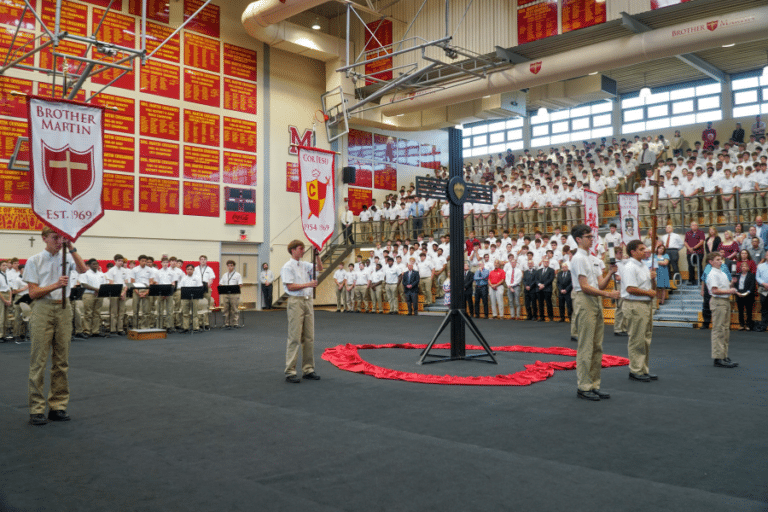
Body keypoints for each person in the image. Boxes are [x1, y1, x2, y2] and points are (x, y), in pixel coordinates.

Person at [23, 227, 87, 425]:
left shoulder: (67, 257)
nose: (59, 241)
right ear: (44, 239)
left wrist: (72, 247)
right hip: (43, 308)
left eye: (61, 238)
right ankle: (36, 408)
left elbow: (83, 269)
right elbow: (32, 293)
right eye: (55, 237)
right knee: (39, 360)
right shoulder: (34, 260)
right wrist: (55, 285)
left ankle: (58, 406)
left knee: (61, 360)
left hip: (64, 308)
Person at [570, 224, 620, 401]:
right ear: (578, 239)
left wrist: (610, 273)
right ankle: (584, 386)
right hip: (585, 300)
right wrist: (607, 294)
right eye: (588, 236)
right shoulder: (578, 259)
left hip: (595, 300)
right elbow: (584, 287)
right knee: (586, 345)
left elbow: (599, 284)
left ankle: (594, 384)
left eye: (592, 236)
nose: (592, 239)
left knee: (597, 346)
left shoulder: (592, 259)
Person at [281, 240, 322, 383]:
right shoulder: (287, 266)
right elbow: (290, 286)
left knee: (309, 336)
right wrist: (308, 284)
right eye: (300, 248)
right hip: (296, 301)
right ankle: (290, 371)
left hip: (307, 300)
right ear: (292, 250)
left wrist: (317, 255)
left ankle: (308, 369)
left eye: (304, 248)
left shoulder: (305, 265)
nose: (303, 251)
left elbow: (320, 268)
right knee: (294, 337)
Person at [622, 240, 657, 383]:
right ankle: (635, 370)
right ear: (633, 252)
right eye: (641, 249)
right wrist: (648, 292)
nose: (645, 251)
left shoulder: (643, 266)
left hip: (645, 304)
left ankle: (643, 369)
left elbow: (650, 287)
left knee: (646, 338)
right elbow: (630, 289)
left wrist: (653, 279)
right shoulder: (630, 267)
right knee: (637, 338)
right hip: (635, 304)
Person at [705, 252, 739, 368]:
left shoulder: (722, 273)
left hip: (725, 301)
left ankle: (723, 355)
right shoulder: (712, 274)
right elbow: (714, 290)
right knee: (718, 330)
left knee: (725, 330)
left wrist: (731, 284)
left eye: (721, 259)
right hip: (718, 301)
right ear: (711, 262)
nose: (720, 261)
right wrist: (729, 291)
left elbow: (724, 287)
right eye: (717, 259)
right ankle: (718, 358)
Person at [78, 258, 105, 338]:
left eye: (97, 264)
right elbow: (84, 284)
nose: (96, 265)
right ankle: (87, 331)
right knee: (88, 313)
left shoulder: (101, 274)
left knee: (97, 313)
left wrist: (99, 290)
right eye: (94, 264)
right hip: (88, 294)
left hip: (99, 295)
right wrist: (96, 289)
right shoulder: (85, 273)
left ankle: (95, 331)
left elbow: (104, 284)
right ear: (89, 265)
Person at [106, 254, 130, 335]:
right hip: (114, 290)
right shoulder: (111, 270)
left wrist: (123, 292)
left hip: (123, 290)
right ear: (115, 261)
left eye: (122, 261)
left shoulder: (125, 270)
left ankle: (120, 329)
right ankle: (113, 329)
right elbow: (111, 283)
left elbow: (127, 283)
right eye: (119, 261)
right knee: (114, 312)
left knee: (122, 311)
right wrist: (117, 292)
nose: (120, 262)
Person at [193, 256, 215, 331]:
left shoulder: (209, 269)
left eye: (204, 259)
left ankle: (206, 323)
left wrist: (208, 285)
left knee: (206, 305)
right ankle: (199, 323)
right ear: (199, 260)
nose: (203, 261)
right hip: (198, 288)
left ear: (206, 261)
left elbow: (211, 279)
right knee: (198, 305)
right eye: (201, 259)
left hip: (206, 287)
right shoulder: (195, 269)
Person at [179, 264, 202, 333]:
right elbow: (180, 287)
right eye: (188, 269)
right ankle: (186, 327)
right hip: (185, 297)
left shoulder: (197, 278)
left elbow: (200, 287)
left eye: (191, 269)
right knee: (185, 313)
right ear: (186, 270)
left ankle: (196, 327)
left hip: (194, 297)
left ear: (193, 270)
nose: (189, 271)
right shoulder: (184, 278)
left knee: (195, 313)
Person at [219, 260, 243, 328]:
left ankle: (235, 323)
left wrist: (235, 288)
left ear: (234, 266)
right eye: (228, 265)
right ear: (227, 266)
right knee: (226, 309)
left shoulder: (237, 275)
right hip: (226, 294)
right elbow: (221, 283)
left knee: (234, 309)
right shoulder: (225, 275)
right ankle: (227, 323)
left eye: (231, 265)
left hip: (234, 294)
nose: (230, 267)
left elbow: (240, 285)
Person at [734, 261, 756, 331]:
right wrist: (737, 292)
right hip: (739, 294)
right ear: (740, 268)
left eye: (745, 266)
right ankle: (741, 324)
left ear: (748, 268)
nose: (744, 267)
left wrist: (747, 293)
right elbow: (735, 285)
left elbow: (752, 286)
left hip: (748, 295)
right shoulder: (737, 275)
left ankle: (748, 325)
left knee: (748, 311)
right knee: (740, 310)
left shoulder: (751, 275)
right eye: (742, 266)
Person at [504, 256, 522, 320]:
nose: (513, 264)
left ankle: (517, 316)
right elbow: (507, 279)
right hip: (509, 287)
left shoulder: (519, 271)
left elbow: (518, 280)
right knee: (511, 301)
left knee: (517, 301)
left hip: (516, 287)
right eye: (512, 263)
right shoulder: (508, 271)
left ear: (516, 263)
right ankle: (512, 315)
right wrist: (509, 286)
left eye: (514, 263)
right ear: (511, 263)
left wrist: (511, 285)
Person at [0, 260, 13, 339]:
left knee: (6, 317)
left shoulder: (7, 275)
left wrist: (10, 299)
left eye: (6, 265)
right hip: (1, 295)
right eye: (3, 265)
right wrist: (4, 300)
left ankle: (4, 334)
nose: (5, 267)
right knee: (1, 316)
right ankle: (0, 335)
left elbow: (10, 288)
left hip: (7, 294)